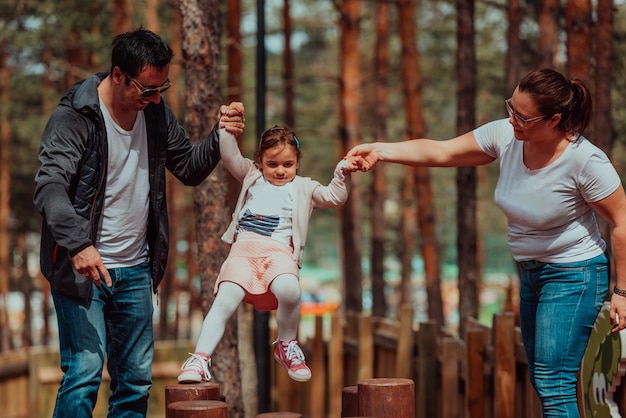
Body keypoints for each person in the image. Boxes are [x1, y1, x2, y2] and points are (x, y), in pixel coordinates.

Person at [345, 68, 626, 418]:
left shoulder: (585, 160)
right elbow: (442, 151)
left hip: (575, 276)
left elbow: (621, 220)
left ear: (554, 120)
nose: (512, 121)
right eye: (511, 108)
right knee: (544, 380)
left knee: (554, 382)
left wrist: (622, 291)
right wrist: (380, 150)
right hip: (532, 274)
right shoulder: (506, 136)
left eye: (523, 117)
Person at [33, 27, 245, 418]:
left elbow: (189, 168)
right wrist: (79, 245)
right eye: (146, 89)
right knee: (83, 374)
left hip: (136, 270)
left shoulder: (156, 114)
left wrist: (221, 136)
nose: (154, 98)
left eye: (162, 88)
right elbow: (49, 188)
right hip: (83, 270)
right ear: (118, 75)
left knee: (134, 385)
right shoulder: (75, 116)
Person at [177, 124, 360, 384]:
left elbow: (335, 196)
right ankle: (200, 358)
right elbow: (229, 156)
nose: (280, 170)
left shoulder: (304, 188)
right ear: (260, 161)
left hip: (278, 253)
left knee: (290, 289)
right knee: (225, 300)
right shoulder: (251, 176)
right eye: (272, 164)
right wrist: (227, 126)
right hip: (243, 252)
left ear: (298, 162)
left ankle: (286, 345)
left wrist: (343, 172)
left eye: (287, 164)